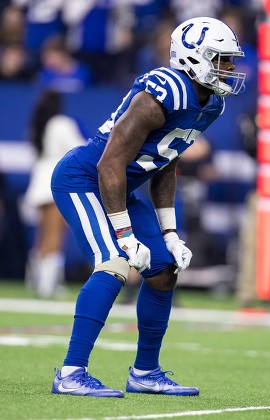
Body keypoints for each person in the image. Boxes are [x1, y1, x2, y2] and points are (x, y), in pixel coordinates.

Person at [51, 16, 246, 398]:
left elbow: (166, 163)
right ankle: (71, 372)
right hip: (85, 179)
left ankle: (145, 372)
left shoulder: (211, 104)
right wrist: (124, 233)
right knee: (113, 261)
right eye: (221, 59)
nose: (230, 69)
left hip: (121, 187)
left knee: (163, 269)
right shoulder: (164, 91)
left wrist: (170, 234)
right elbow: (109, 164)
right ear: (194, 59)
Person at [24, 89, 86, 298]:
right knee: (54, 236)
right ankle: (47, 285)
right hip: (55, 184)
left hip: (38, 183)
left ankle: (36, 281)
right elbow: (78, 148)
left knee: (42, 237)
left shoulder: (38, 126)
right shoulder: (60, 123)